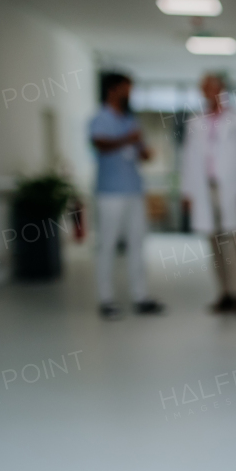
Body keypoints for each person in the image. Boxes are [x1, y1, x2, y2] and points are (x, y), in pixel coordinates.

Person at [89, 71, 165, 319]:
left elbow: (142, 153)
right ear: (113, 90)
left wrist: (144, 149)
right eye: (126, 88)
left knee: (137, 244)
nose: (130, 93)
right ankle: (106, 300)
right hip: (110, 192)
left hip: (134, 190)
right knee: (108, 245)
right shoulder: (100, 118)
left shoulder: (130, 120)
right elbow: (100, 144)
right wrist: (126, 140)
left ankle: (140, 296)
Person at [180, 73, 236, 316]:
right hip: (206, 189)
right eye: (204, 88)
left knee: (234, 243)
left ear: (221, 89)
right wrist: (187, 191)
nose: (208, 93)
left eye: (211, 87)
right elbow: (188, 159)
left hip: (232, 189)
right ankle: (224, 293)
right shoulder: (195, 121)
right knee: (214, 244)